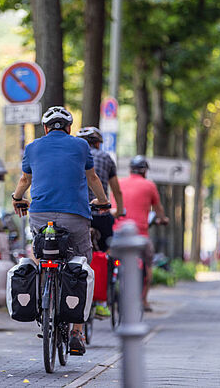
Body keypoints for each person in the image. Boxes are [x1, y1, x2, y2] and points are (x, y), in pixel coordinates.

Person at [12, 106, 110, 356]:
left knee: (39, 255)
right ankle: (78, 331)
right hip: (75, 216)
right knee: (81, 264)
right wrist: (102, 201)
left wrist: (17, 198)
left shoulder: (32, 147)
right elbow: (93, 179)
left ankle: (39, 302)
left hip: (40, 215)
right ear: (68, 128)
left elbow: (25, 181)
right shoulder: (81, 146)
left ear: (45, 128)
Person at [76, 126, 124, 318]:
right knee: (106, 252)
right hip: (101, 213)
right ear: (98, 143)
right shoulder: (105, 158)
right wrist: (119, 211)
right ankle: (103, 300)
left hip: (78, 211)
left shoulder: (74, 156)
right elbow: (117, 190)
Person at [114, 155, 169, 312]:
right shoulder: (149, 185)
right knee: (147, 261)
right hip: (140, 235)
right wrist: (163, 219)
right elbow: (158, 211)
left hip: (117, 232)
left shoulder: (119, 182)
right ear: (145, 171)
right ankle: (143, 300)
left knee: (111, 259)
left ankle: (109, 293)